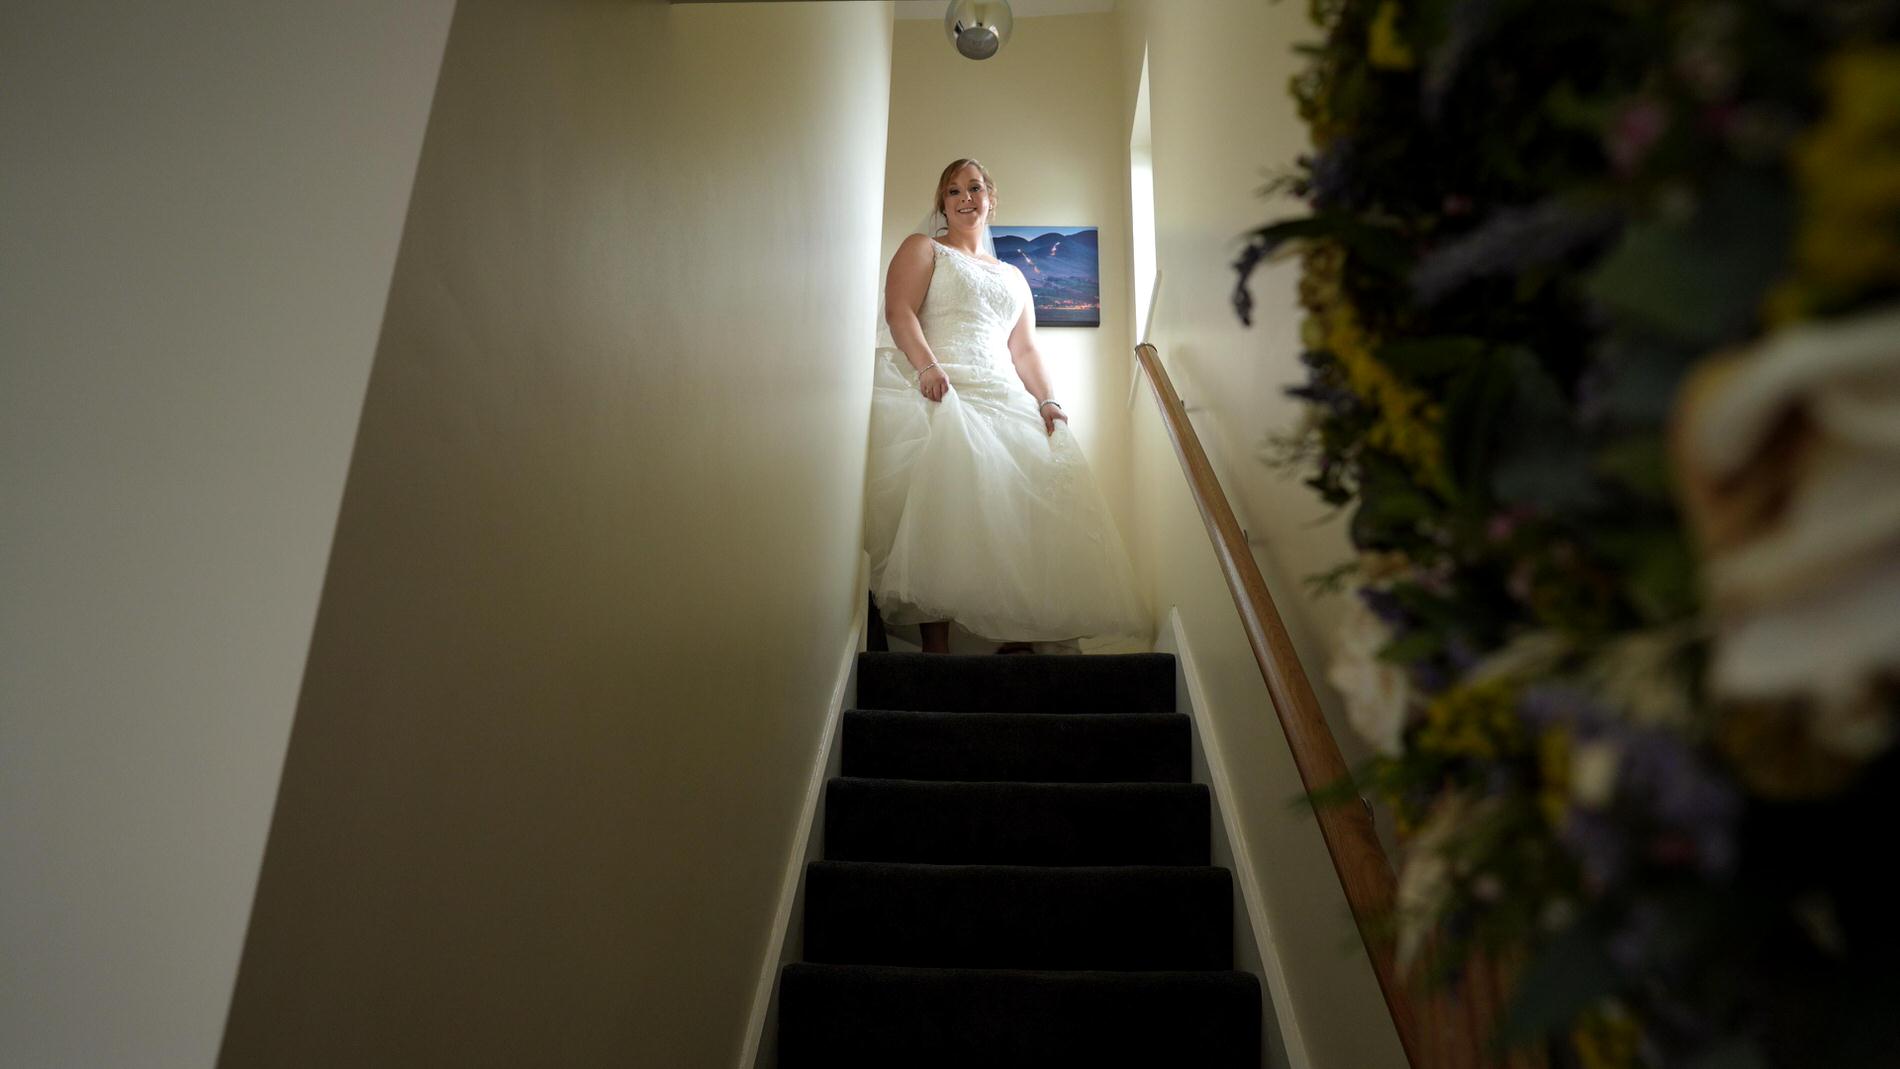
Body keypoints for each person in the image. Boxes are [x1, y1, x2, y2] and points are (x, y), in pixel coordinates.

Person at [863, 159, 1147, 654]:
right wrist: (929, 369)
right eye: (953, 192)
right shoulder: (925, 249)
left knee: (1034, 492)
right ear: (943, 205)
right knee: (942, 503)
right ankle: (937, 648)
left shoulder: (1015, 277)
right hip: (943, 386)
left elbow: (1025, 350)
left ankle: (1019, 639)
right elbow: (899, 310)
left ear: (991, 197)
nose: (964, 198)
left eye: (974, 188)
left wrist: (1049, 400)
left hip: (1002, 392)